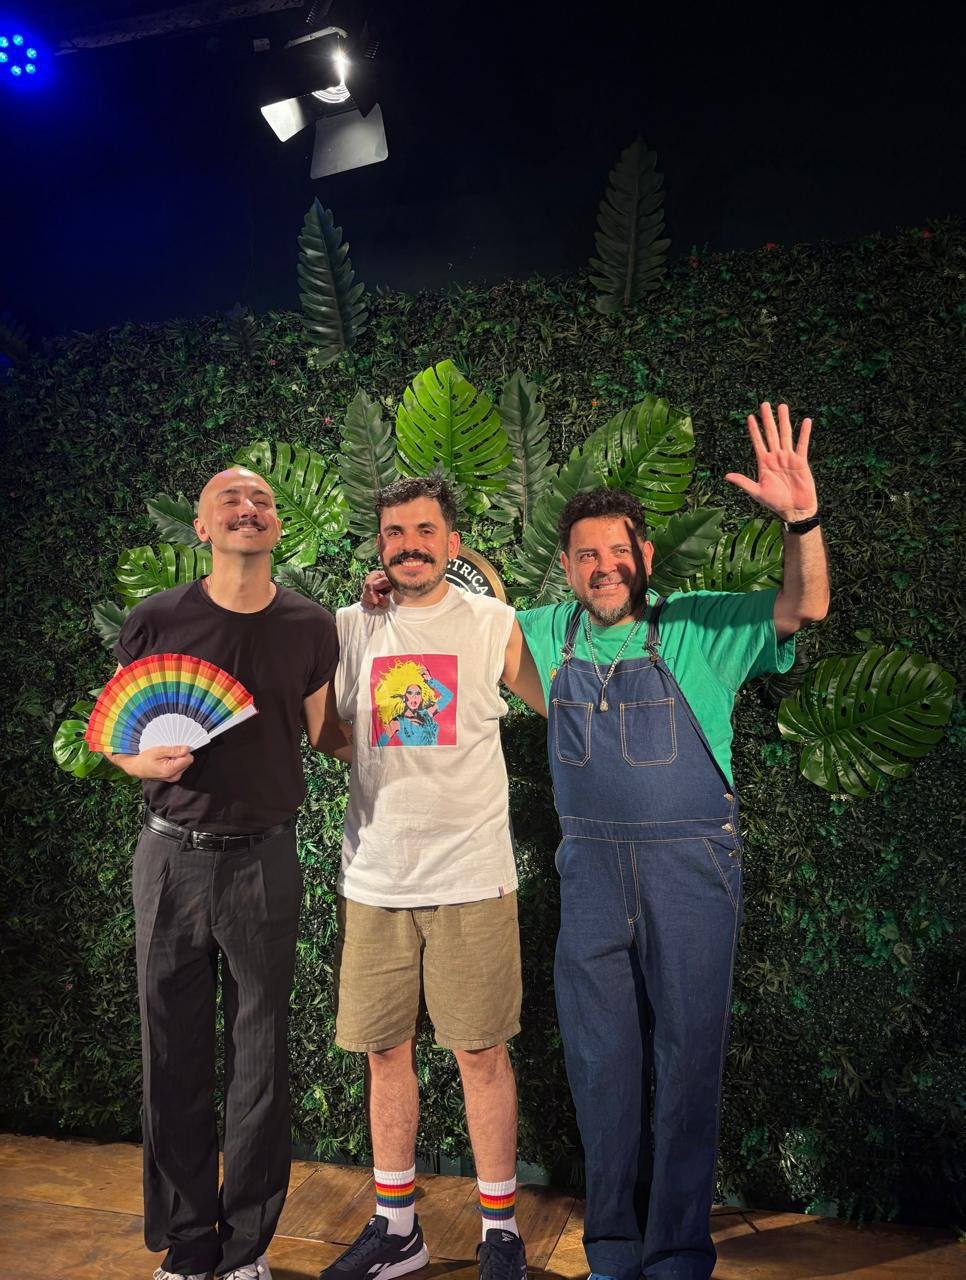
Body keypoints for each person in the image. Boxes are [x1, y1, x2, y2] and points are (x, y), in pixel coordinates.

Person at [514, 403, 830, 1280]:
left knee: (689, 1062)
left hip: (690, 870)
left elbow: (805, 605)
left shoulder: (699, 626)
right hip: (588, 876)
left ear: (645, 555)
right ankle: (613, 1250)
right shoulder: (543, 633)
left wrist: (802, 520)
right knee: (599, 1065)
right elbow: (457, 631)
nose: (604, 566)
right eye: (586, 555)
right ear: (568, 568)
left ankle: (680, 1253)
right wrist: (394, 592)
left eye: (618, 551)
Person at [104, 466, 347, 1280]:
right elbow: (117, 732)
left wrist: (427, 725)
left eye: (262, 501)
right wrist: (139, 759)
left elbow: (328, 734)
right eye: (230, 501)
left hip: (264, 861)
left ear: (277, 525)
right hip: (169, 858)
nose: (250, 509)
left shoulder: (310, 624)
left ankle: (245, 1249)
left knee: (260, 1060)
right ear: (202, 528)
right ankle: (188, 1243)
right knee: (170, 1053)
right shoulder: (156, 617)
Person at [320, 475, 545, 1280]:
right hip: (376, 878)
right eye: (394, 532)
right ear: (379, 545)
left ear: (453, 543)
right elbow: (328, 734)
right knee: (385, 1053)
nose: (409, 546)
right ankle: (397, 1230)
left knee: (480, 1054)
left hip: (472, 877)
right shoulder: (348, 626)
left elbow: (561, 704)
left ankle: (500, 1232)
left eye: (424, 531)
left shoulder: (494, 624)